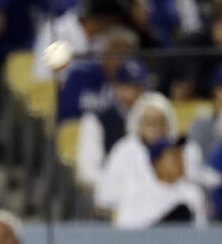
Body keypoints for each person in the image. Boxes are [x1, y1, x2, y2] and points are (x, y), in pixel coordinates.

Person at [94, 92, 219, 227]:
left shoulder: (186, 148)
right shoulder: (124, 150)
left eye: (160, 121)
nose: (154, 127)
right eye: (149, 121)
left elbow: (202, 177)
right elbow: (104, 196)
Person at [76, 58, 149, 189]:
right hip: (111, 191)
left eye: (140, 85)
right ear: (116, 86)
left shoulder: (152, 118)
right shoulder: (97, 120)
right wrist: (115, 186)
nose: (136, 91)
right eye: (129, 85)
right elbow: (88, 170)